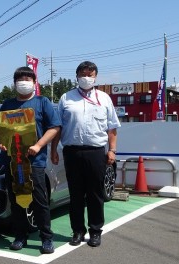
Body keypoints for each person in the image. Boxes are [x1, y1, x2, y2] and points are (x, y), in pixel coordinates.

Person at [51, 61, 121, 247]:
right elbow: (58, 127)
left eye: (90, 74)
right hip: (72, 152)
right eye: (83, 74)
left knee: (95, 193)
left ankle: (95, 231)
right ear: (77, 76)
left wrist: (112, 150)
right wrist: (53, 150)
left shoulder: (104, 98)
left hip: (96, 152)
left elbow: (112, 127)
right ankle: (77, 231)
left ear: (96, 76)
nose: (87, 78)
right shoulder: (66, 98)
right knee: (75, 194)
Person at [0, 66, 61, 254]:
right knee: (16, 200)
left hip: (34, 161)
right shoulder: (7, 104)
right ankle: (20, 235)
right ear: (14, 84)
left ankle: (46, 237)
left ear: (34, 82)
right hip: (12, 161)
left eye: (28, 79)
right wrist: (1, 141)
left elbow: (54, 127)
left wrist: (39, 145)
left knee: (39, 200)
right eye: (20, 79)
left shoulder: (42, 102)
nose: (24, 82)